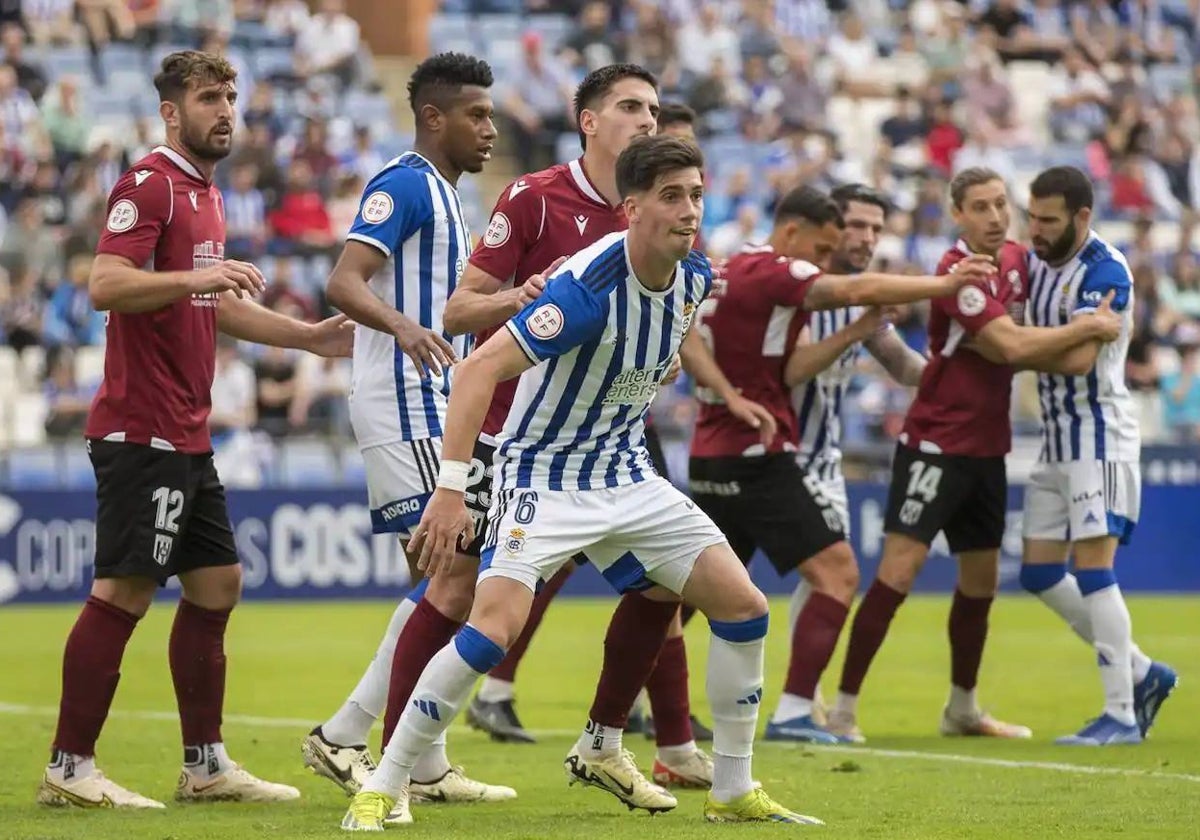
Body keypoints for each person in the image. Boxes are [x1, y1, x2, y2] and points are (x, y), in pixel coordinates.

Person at [342, 134, 821, 831]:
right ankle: (384, 784)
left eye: (696, 193)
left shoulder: (692, 277)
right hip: (544, 475)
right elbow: (477, 371)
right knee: (492, 630)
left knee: (744, 607)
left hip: (626, 473)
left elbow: (656, 367)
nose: (690, 210)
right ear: (631, 208)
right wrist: (450, 490)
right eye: (672, 196)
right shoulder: (587, 288)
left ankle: (731, 788)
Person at [402, 65, 768, 809]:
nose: (648, 119)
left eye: (655, 108)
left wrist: (685, 375)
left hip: (615, 437)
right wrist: (521, 300)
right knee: (459, 590)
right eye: (631, 107)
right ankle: (391, 755)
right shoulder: (538, 197)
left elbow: (671, 323)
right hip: (518, 435)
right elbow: (460, 314)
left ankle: (627, 742)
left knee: (668, 587)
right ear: (590, 120)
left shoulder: (673, 232)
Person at [38, 50, 353, 810]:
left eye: (231, 96)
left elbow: (217, 305)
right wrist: (192, 277)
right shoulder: (149, 183)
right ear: (172, 111)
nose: (226, 110)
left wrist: (306, 337)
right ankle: (68, 767)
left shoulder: (205, 195)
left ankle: (205, 765)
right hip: (140, 428)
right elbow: (106, 282)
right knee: (125, 589)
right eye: (209, 97)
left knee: (217, 584)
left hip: (187, 430)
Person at [831, 167, 1124, 742]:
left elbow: (1057, 356)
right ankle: (842, 708)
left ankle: (962, 708)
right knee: (897, 574)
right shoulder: (955, 273)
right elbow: (1010, 345)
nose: (994, 217)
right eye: (980, 208)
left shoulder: (1018, 261)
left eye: (1000, 205)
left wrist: (1078, 333)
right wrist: (1087, 326)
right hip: (935, 442)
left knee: (981, 584)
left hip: (989, 446)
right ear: (957, 216)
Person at [300, 52, 513, 811]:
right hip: (403, 402)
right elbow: (343, 279)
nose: (491, 129)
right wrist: (401, 329)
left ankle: (418, 760)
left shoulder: (454, 196)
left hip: (431, 401)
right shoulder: (404, 184)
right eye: (477, 115)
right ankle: (349, 736)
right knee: (454, 578)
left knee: (441, 584)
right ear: (433, 117)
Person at [688, 184, 926, 744]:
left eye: (875, 228)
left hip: (803, 458)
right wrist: (944, 288)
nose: (864, 237)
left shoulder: (850, 301)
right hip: (767, 456)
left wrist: (970, 368)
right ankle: (796, 707)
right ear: (828, 229)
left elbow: (902, 364)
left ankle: (793, 702)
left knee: (712, 589)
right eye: (855, 226)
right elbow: (787, 370)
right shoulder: (783, 282)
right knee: (828, 573)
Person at [1012, 166, 1177, 745]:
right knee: (1036, 571)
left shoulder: (1105, 272)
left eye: (1048, 220)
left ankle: (1122, 715)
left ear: (1082, 217)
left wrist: (1009, 349)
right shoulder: (1033, 259)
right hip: (1056, 440)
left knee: (1093, 569)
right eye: (1031, 216)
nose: (1035, 229)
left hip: (1099, 436)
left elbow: (1080, 361)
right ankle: (1140, 671)